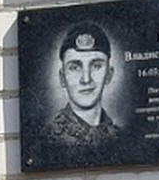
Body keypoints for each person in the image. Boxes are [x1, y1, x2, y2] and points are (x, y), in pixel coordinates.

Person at [39, 22, 121, 152]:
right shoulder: (47, 139)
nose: (86, 79)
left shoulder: (120, 137)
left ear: (109, 74)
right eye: (75, 67)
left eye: (96, 66)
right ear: (62, 78)